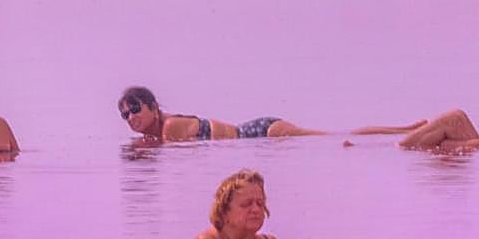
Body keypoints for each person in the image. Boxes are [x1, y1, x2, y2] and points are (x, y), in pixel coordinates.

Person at [118, 86, 325, 142]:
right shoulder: (153, 135)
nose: (131, 117)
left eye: (135, 109)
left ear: (154, 108)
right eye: (125, 115)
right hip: (253, 137)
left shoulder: (171, 126)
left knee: (327, 136)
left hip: (260, 133)